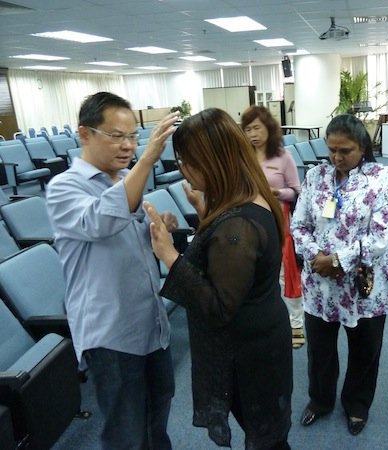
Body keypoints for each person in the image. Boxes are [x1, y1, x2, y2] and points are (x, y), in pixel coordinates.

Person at [143, 107, 293, 450]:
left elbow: (218, 306)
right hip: (262, 337)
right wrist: (204, 213)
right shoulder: (245, 198)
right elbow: (229, 261)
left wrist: (168, 254)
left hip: (250, 355)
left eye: (187, 160)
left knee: (268, 442)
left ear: (213, 161)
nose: (182, 168)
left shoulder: (237, 226)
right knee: (268, 435)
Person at [46, 91, 179, 449]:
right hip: (112, 334)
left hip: (150, 323)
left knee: (157, 423)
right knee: (126, 434)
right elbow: (98, 223)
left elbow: (128, 234)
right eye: (116, 135)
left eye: (133, 137)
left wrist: (158, 224)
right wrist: (148, 158)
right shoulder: (63, 188)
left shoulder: (122, 179)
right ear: (85, 134)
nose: (128, 146)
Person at [291, 114, 388, 436]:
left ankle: (357, 405)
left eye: (346, 151)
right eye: (332, 150)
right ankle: (320, 401)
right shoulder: (316, 176)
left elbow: (382, 236)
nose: (337, 158)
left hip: (365, 283)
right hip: (319, 284)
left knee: (365, 350)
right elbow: (299, 224)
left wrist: (338, 260)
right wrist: (316, 256)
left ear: (363, 146)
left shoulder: (383, 177)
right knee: (320, 351)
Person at [241, 105, 304, 349]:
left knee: (285, 274)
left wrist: (279, 192)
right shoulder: (244, 157)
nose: (252, 134)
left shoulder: (282, 156)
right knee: (258, 275)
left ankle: (296, 323)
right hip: (251, 226)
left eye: (257, 127)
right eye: (247, 129)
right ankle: (266, 322)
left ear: (268, 127)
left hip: (279, 225)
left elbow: (297, 191)